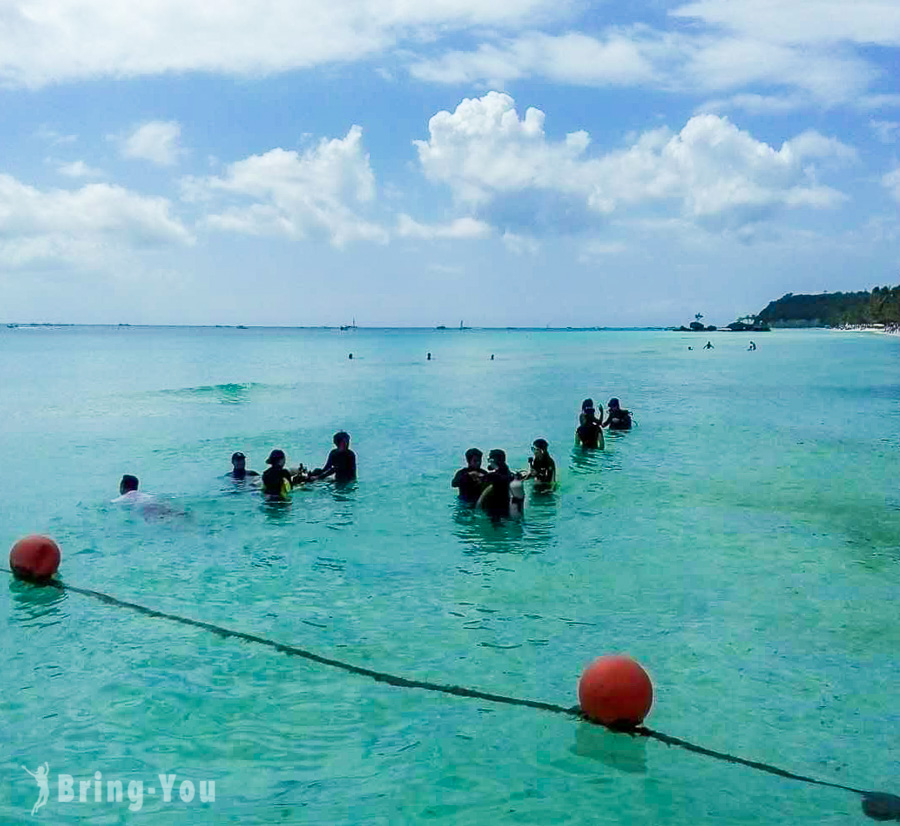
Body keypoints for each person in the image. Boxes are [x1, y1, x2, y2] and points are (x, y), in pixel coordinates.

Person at [476, 449, 514, 518]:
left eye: (489, 460)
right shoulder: (509, 474)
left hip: (495, 510)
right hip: (506, 508)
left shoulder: (492, 477)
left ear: (492, 461)